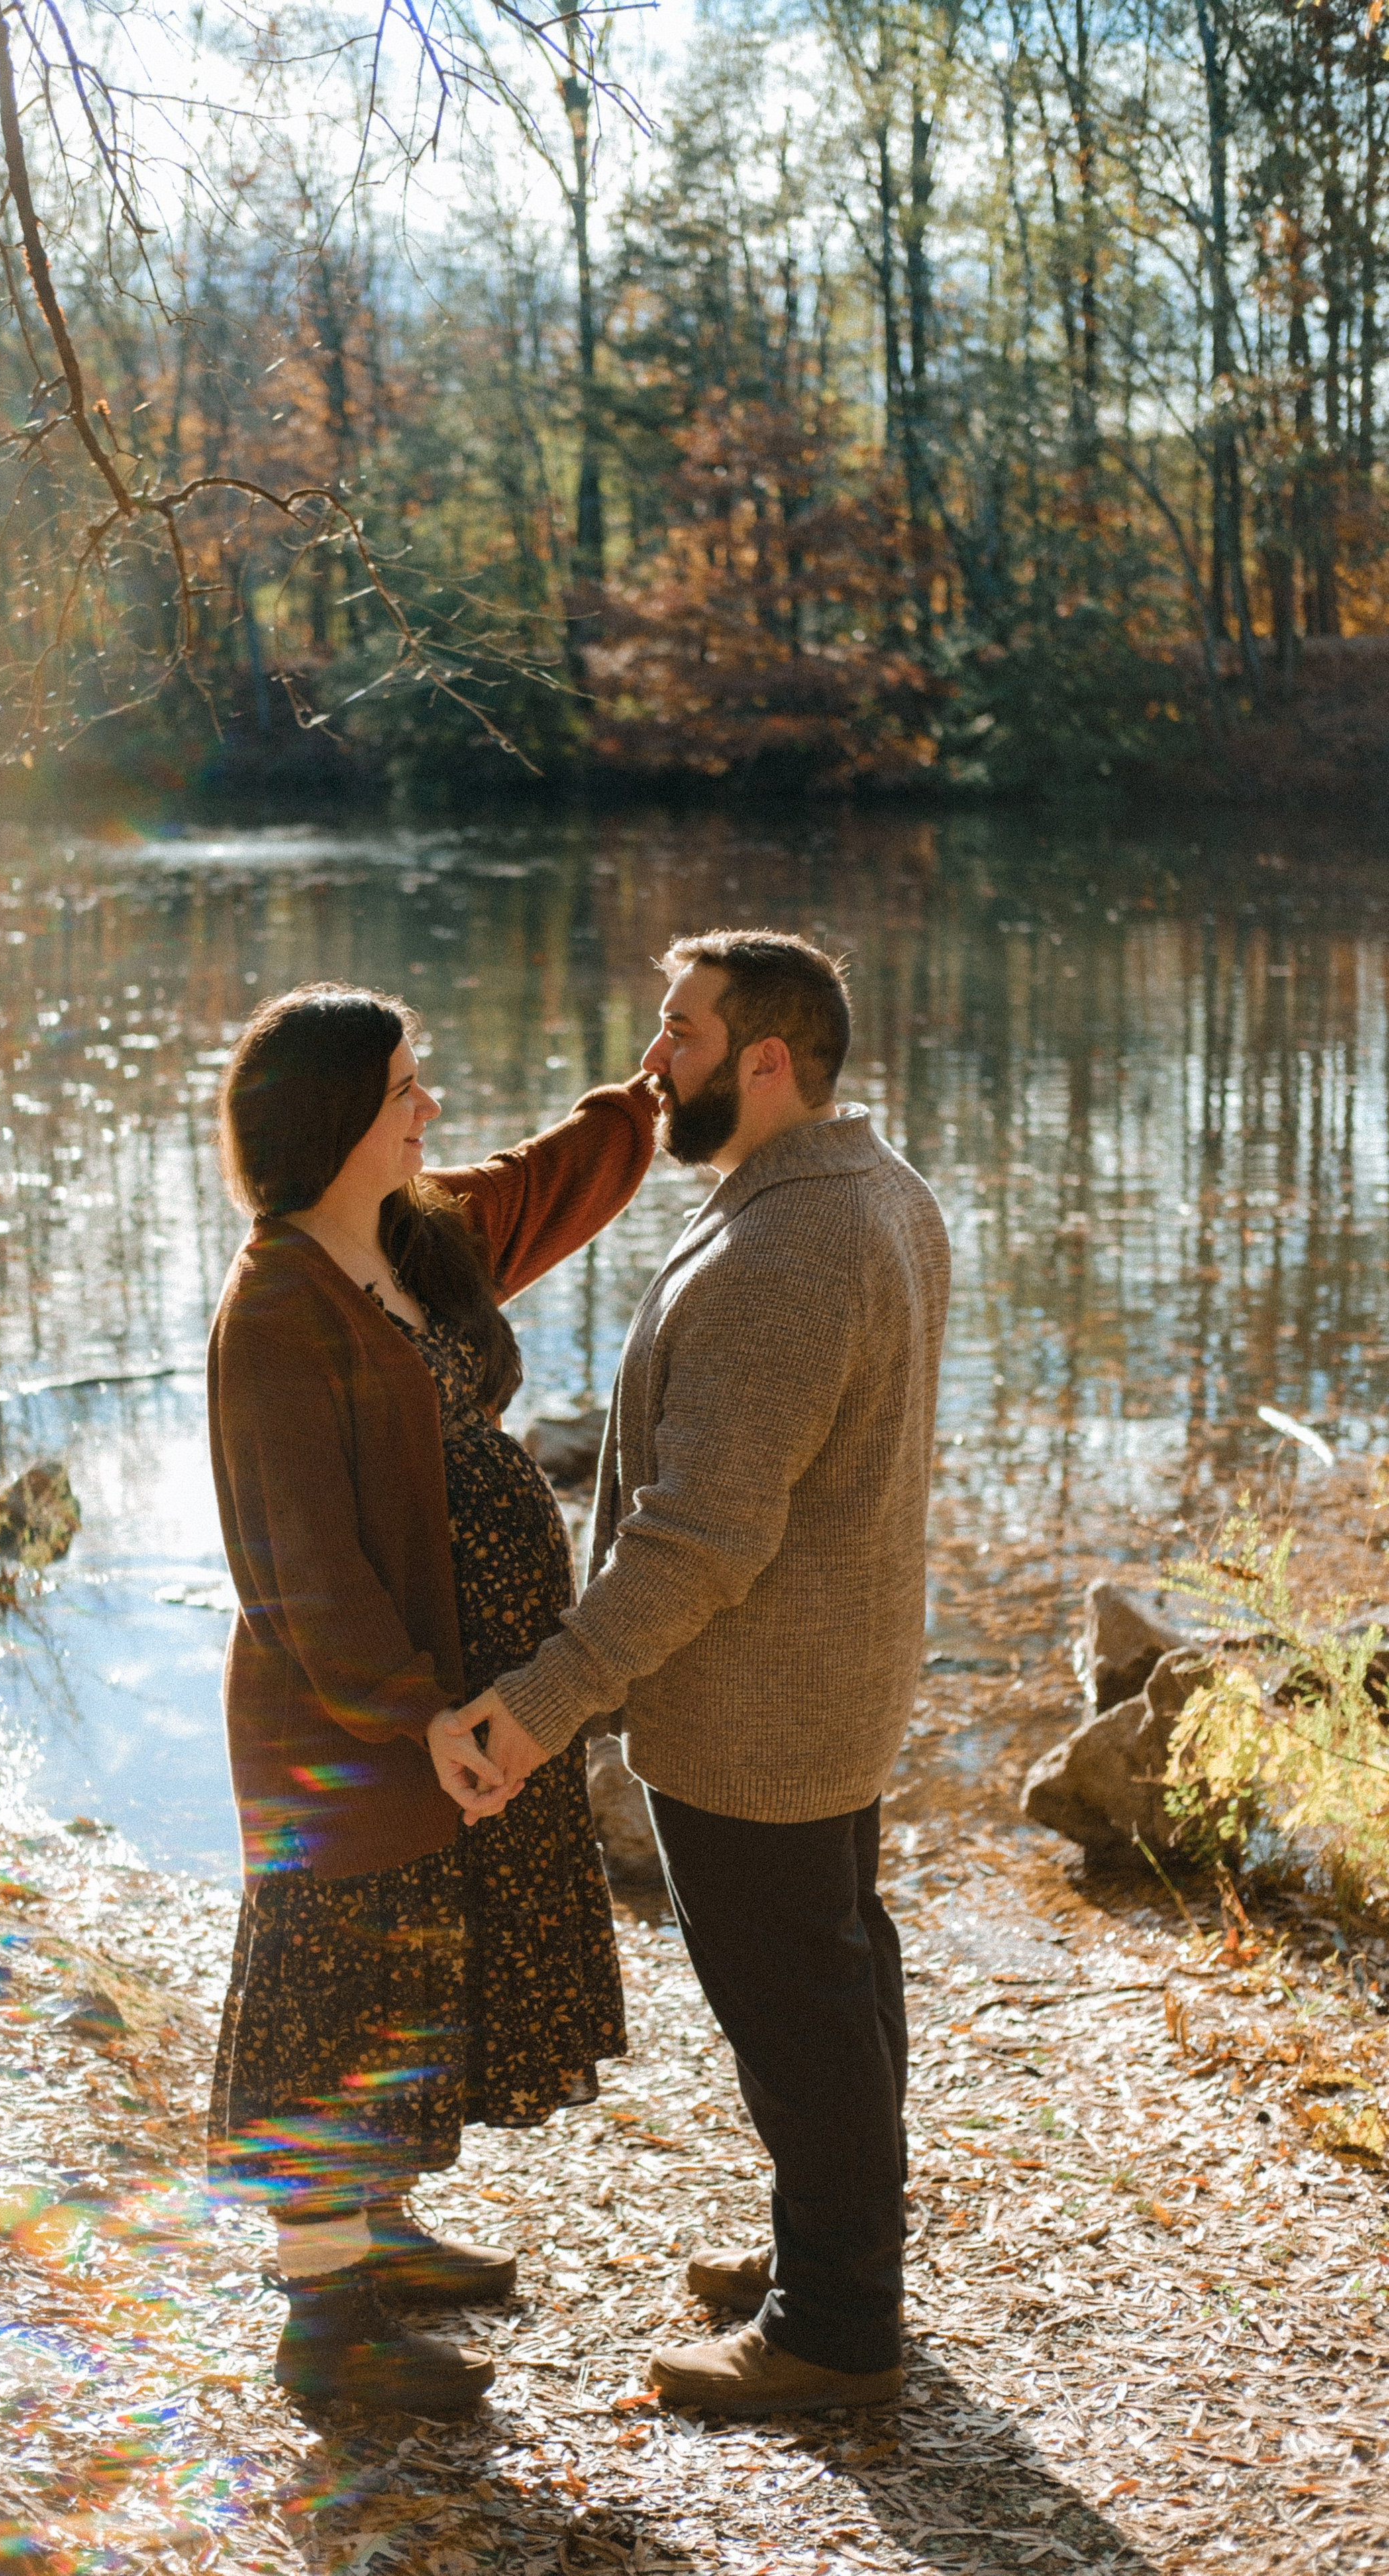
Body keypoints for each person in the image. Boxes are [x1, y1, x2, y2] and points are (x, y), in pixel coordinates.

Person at [451, 930, 950, 2417]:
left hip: (758, 1711)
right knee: (840, 1983)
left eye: (675, 1033)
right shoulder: (872, 1188)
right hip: (834, 1683)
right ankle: (832, 2245)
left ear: (766, 1061)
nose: (648, 1060)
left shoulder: (789, 1246)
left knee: (798, 2012)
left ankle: (836, 2334)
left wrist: (540, 1707)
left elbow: (701, 1539)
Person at [204, 982, 656, 2412]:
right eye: (406, 1086)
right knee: (334, 1986)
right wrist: (424, 1716)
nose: (429, 1106)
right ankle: (324, 2327)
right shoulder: (277, 1309)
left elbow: (543, 1187)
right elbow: (302, 1567)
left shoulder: (418, 1236)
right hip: (352, 1720)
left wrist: (639, 1105)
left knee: (419, 1965)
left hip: (463, 1696)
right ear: (337, 1113)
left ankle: (382, 2232)